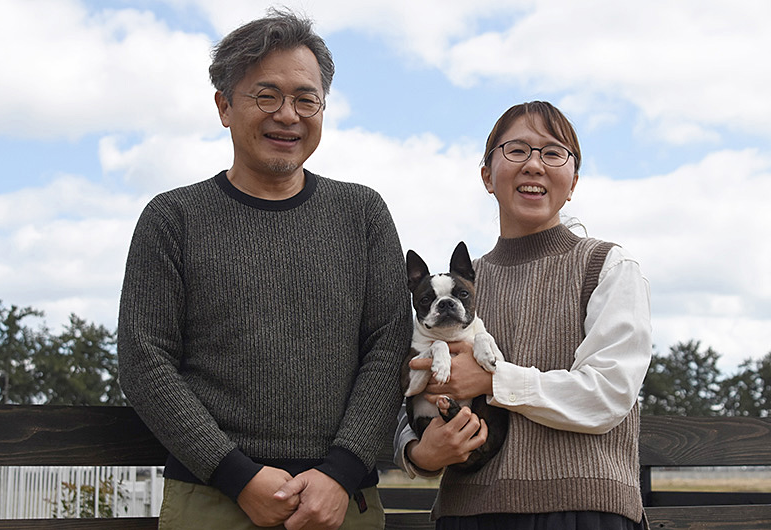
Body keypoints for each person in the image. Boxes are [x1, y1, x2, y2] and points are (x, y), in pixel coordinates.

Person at [118, 9, 412, 530]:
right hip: (211, 498)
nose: (287, 114)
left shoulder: (363, 214)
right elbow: (145, 361)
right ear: (224, 106)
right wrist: (237, 475)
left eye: (306, 98)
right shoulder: (173, 219)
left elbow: (388, 346)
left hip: (343, 502)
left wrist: (341, 472)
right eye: (266, 95)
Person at [394, 101, 652, 529]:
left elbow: (609, 394)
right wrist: (418, 453)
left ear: (573, 183)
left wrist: (494, 380)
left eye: (553, 153)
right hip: (468, 511)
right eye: (516, 150)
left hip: (584, 508)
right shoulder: (451, 291)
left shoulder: (608, 266)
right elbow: (403, 381)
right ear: (486, 176)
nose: (534, 164)